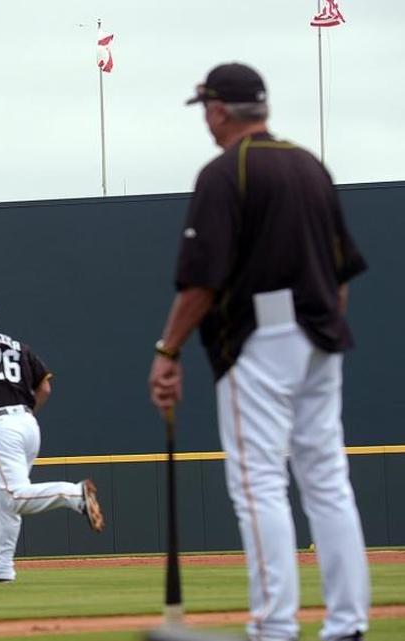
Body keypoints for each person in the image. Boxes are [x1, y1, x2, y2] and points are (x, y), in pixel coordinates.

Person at [148, 63, 369, 641]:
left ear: (219, 110)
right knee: (327, 480)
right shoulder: (310, 165)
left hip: (264, 338)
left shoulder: (227, 172)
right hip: (323, 335)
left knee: (260, 484)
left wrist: (168, 350)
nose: (206, 121)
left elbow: (201, 284)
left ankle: (274, 625)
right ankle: (347, 624)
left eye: (206, 110)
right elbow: (341, 272)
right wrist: (320, 331)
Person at [0, 293, 104, 583]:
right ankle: (3, 568)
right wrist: (25, 413)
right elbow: (44, 388)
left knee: (13, 496)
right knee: (3, 498)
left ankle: (75, 494)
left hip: (0, 424)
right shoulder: (19, 345)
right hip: (28, 424)